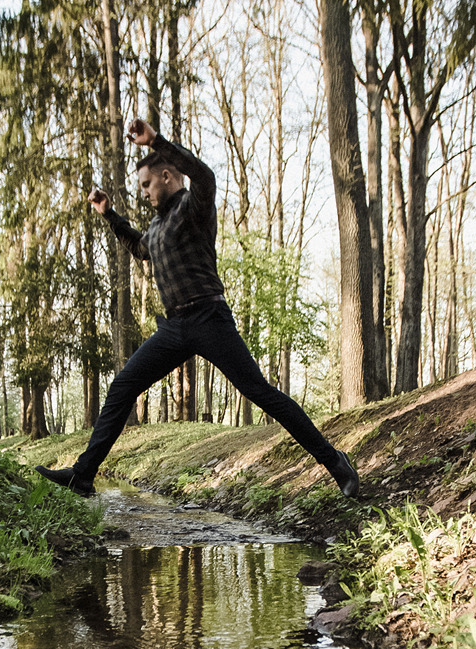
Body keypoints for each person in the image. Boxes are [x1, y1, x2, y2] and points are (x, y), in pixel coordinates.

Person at [36, 118, 360, 498]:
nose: (143, 194)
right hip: (174, 328)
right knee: (123, 386)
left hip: (210, 318)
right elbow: (140, 249)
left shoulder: (194, 207)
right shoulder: (156, 229)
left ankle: (336, 463)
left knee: (260, 392)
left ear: (168, 176)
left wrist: (155, 141)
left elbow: (204, 175)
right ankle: (83, 474)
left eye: (146, 184)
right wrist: (109, 214)